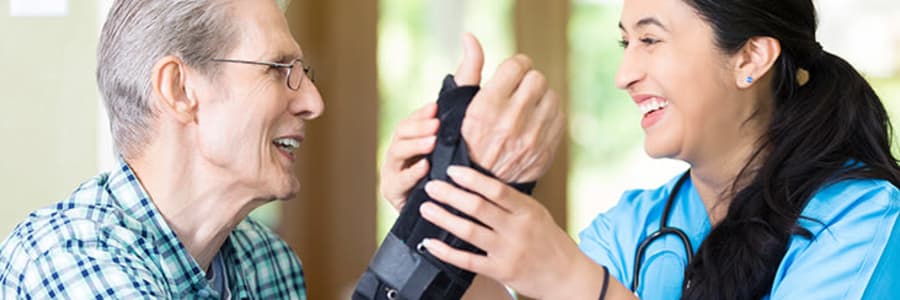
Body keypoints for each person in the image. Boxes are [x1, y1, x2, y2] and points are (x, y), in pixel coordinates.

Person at [0, 0, 562, 298]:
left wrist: (445, 198)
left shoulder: (267, 263)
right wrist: (430, 220)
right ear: (181, 90)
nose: (314, 101)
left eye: (304, 71)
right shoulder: (69, 256)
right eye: (279, 70)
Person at [384, 0, 900, 299]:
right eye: (624, 44)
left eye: (650, 41)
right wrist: (438, 206)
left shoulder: (863, 222)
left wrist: (580, 283)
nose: (624, 75)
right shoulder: (634, 226)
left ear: (751, 56)